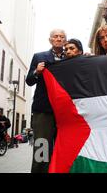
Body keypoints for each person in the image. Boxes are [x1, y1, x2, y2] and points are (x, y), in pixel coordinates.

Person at [26, 29, 66, 173]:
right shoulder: (39, 57)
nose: (59, 39)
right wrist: (36, 72)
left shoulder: (70, 57)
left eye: (62, 37)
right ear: (50, 40)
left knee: (64, 149)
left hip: (64, 112)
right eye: (56, 36)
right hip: (43, 111)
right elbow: (29, 81)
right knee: (41, 150)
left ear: (65, 41)